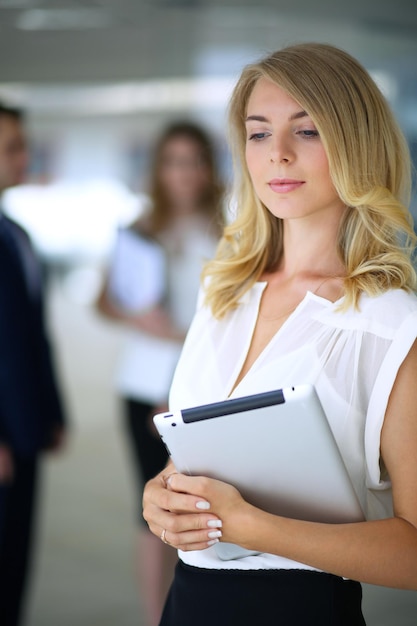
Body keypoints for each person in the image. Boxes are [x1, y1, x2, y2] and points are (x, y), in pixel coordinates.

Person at [142, 43, 417, 626]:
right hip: (188, 603)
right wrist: (162, 495)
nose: (279, 155)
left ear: (356, 144)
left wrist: (250, 526)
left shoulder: (393, 323)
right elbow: (198, 457)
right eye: (259, 133)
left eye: (308, 131)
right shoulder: (223, 292)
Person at [96, 121, 224, 625]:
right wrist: (137, 319)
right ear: (159, 169)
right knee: (148, 510)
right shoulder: (139, 229)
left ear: (209, 168)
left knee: (199, 511)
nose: (184, 173)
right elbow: (104, 301)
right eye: (173, 161)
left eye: (194, 160)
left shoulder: (229, 229)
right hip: (140, 385)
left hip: (197, 390)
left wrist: (177, 369)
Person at [0, 103, 67, 626]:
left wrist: (52, 410)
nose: (24, 157)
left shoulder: (17, 234)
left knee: (15, 561)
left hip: (24, 428)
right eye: (12, 148)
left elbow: (33, 336)